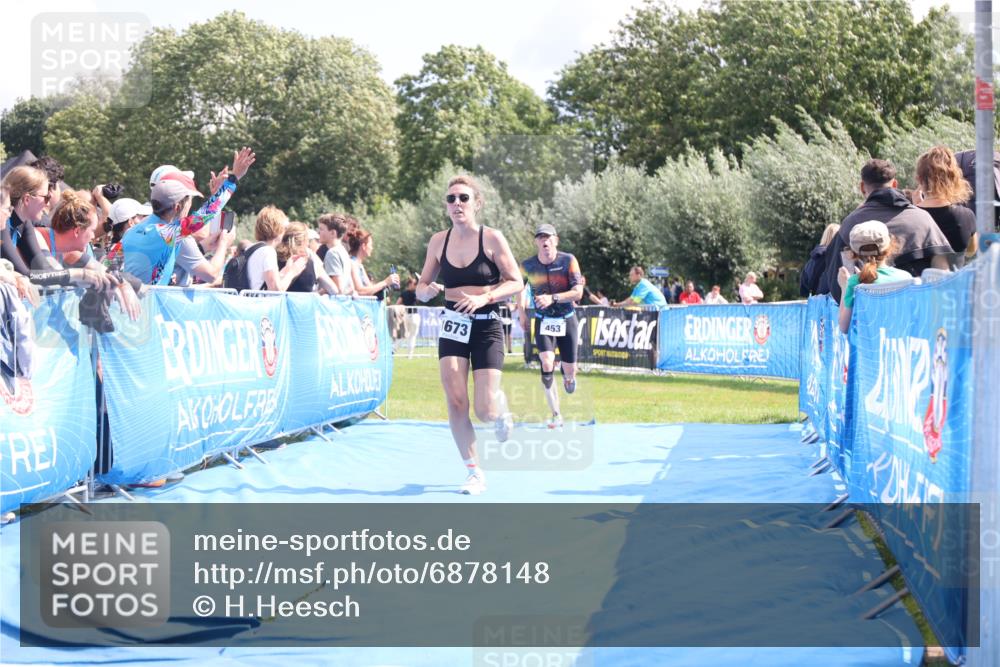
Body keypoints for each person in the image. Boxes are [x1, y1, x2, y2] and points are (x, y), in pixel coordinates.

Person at [415, 175, 524, 495]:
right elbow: (421, 285)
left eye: (463, 198)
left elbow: (516, 281)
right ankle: (474, 472)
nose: (457, 204)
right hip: (453, 324)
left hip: (487, 321)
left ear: (477, 203)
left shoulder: (491, 238)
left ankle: (500, 410)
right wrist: (426, 291)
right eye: (451, 199)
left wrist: (484, 297)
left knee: (484, 409)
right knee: (456, 398)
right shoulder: (438, 241)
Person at [820, 158, 952, 304]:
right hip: (916, 315)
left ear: (862, 187)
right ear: (895, 184)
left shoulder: (850, 225)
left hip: (869, 318)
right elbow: (943, 276)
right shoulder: (923, 219)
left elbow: (838, 285)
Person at [122, 148, 254, 285]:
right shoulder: (169, 233)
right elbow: (205, 214)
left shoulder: (130, 233)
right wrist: (233, 178)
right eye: (190, 199)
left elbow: (109, 265)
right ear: (177, 207)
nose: (191, 204)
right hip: (150, 305)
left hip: (125, 304)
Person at [519, 223, 584, 429]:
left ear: (556, 240)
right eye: (541, 237)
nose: (545, 241)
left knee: (569, 369)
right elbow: (519, 287)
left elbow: (578, 292)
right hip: (543, 320)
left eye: (548, 237)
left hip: (567, 318)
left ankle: (569, 377)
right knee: (547, 362)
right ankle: (556, 413)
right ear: (536, 242)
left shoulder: (568, 260)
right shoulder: (528, 265)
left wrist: (553, 298)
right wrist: (522, 313)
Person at [837, 221, 912, 333]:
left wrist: (844, 287)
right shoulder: (906, 277)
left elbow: (844, 327)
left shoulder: (855, 282)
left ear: (855, 253)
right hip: (899, 345)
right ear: (889, 246)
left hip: (866, 347)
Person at [913, 146, 978, 269]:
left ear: (919, 179)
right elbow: (971, 251)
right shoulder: (966, 215)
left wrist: (914, 208)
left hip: (919, 286)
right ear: (954, 178)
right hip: (954, 285)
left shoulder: (910, 216)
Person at [1, 166, 53, 275]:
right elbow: (24, 273)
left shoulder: (24, 222)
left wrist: (68, 276)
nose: (48, 204)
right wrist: (74, 275)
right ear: (27, 199)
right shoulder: (2, 222)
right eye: (46, 197)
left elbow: (42, 267)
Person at [245, 206, 308, 292]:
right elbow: (275, 290)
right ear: (277, 228)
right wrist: (293, 271)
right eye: (285, 228)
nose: (285, 232)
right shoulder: (268, 251)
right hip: (258, 304)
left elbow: (260, 281)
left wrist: (286, 269)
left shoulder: (251, 249)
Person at [276, 221, 336, 293]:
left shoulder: (274, 259)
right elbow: (333, 290)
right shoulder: (313, 264)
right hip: (305, 303)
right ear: (305, 241)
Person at [345, 228, 400, 298]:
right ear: (364, 246)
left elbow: (370, 289)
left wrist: (388, 284)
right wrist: (385, 282)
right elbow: (360, 291)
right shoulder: (352, 264)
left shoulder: (359, 265)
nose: (372, 248)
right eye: (370, 245)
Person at [317, 213, 354, 295]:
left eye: (321, 229)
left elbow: (337, 289)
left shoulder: (332, 253)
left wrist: (315, 295)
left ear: (333, 233)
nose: (318, 232)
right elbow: (350, 288)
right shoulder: (343, 251)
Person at [800, 223, 840, 296]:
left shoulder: (813, 259)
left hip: (817, 301)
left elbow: (804, 285)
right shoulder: (839, 258)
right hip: (835, 301)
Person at [396, 277, 422, 358]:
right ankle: (409, 355)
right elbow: (420, 299)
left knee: (404, 335)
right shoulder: (415, 293)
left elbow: (398, 303)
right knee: (412, 336)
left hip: (407, 316)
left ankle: (393, 350)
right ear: (410, 284)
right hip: (413, 316)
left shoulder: (404, 293)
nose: (416, 285)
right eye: (414, 284)